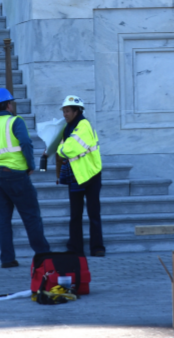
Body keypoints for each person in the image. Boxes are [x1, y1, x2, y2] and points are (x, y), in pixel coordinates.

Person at [0, 88, 50, 268]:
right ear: (9, 105)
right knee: (31, 216)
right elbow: (26, 143)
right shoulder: (15, 122)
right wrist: (31, 166)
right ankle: (43, 255)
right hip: (16, 175)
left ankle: (7, 259)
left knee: (3, 220)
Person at [57, 95, 105, 257]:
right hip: (77, 176)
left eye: (68, 111)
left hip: (91, 174)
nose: (65, 114)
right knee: (75, 215)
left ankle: (97, 248)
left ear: (77, 111)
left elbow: (67, 149)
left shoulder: (83, 125)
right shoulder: (68, 127)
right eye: (64, 111)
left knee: (93, 214)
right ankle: (75, 248)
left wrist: (60, 148)